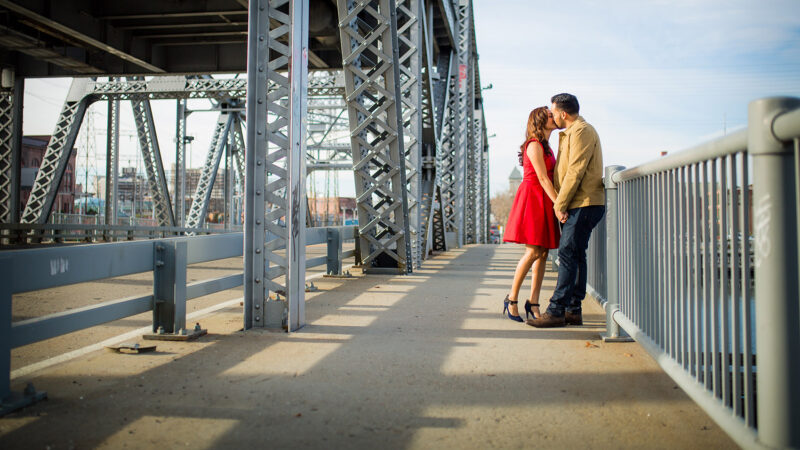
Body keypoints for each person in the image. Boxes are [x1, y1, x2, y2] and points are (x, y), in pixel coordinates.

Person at [528, 93, 605, 328]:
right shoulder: (570, 133)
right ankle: (573, 310)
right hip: (579, 202)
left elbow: (575, 171)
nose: (551, 116)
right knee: (576, 255)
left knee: (567, 254)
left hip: (584, 203)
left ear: (563, 113)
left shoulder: (581, 131)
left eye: (553, 112)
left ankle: (556, 310)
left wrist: (558, 205)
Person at [501, 106, 560, 322]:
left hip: (543, 198)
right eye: (550, 116)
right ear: (540, 120)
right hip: (534, 199)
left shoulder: (547, 147)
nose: (554, 118)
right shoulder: (534, 145)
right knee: (533, 251)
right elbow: (543, 178)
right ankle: (512, 298)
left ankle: (534, 302)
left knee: (543, 253)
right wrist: (559, 204)